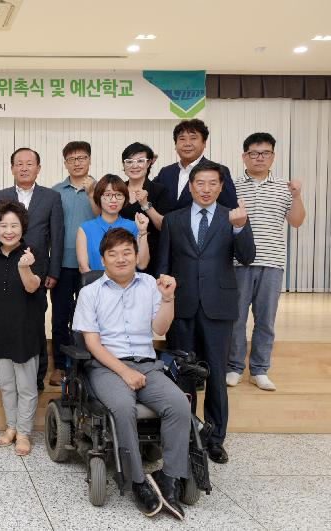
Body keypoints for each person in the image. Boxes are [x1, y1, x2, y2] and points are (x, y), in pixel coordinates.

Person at [73, 228, 189, 520]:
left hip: (147, 364)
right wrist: (124, 371)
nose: (121, 258)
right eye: (113, 254)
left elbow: (160, 329)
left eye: (127, 252)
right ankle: (137, 481)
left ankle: (169, 478)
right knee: (123, 407)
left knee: (179, 404)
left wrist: (168, 300)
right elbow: (92, 344)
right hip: (107, 366)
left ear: (137, 256)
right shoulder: (90, 292)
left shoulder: (150, 285)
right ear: (103, 260)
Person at [158, 161, 256, 464]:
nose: (206, 189)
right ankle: (187, 435)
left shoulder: (233, 217)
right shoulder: (173, 220)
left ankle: (215, 439)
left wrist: (240, 227)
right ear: (190, 186)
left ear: (221, 187)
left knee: (215, 374)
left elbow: (247, 257)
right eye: (200, 183)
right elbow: (163, 263)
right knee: (183, 374)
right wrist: (163, 297)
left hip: (218, 306)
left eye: (213, 183)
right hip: (183, 306)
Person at [0, 148, 64, 390]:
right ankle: (0, 375)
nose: (24, 168)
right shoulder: (0, 195)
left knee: (35, 322)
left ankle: (36, 377)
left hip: (37, 268)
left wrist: (53, 271)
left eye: (29, 163)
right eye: (19, 163)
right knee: (1, 318)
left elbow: (57, 236)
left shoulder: (51, 197)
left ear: (38, 168)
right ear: (12, 168)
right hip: (5, 264)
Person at [228, 133, 305, 391]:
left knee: (265, 321)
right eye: (254, 153)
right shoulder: (232, 186)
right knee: (236, 319)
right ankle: (234, 367)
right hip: (238, 263)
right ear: (244, 156)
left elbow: (296, 221)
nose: (259, 158)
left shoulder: (285, 187)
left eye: (265, 153)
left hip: (272, 262)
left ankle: (260, 370)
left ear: (273, 156)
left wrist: (297, 196)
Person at [0, 200, 46, 456]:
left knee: (26, 386)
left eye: (14, 225)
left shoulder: (33, 253)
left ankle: (24, 433)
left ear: (22, 227)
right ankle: (11, 427)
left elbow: (32, 286)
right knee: (6, 384)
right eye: (3, 225)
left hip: (25, 329)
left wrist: (24, 266)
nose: (8, 231)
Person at [49, 141, 98, 387]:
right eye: (72, 159)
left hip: (93, 266)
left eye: (82, 158)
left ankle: (90, 366)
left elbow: (105, 218)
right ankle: (60, 366)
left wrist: (92, 194)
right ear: (65, 163)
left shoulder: (102, 189)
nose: (77, 163)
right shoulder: (55, 192)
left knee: (91, 318)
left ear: (89, 160)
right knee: (60, 317)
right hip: (62, 263)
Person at [153, 119, 238, 209]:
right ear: (175, 144)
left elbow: (230, 209)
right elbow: (150, 196)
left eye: (193, 138)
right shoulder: (166, 172)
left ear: (204, 143)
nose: (187, 144)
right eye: (182, 139)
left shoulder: (218, 171)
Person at [119, 142, 174, 275]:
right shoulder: (118, 190)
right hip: (121, 256)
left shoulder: (159, 190)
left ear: (149, 163)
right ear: (124, 165)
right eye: (129, 161)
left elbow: (164, 226)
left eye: (140, 161)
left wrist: (145, 204)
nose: (135, 166)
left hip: (152, 257)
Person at [76, 174, 150, 273]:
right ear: (98, 197)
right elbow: (83, 268)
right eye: (107, 195)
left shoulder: (135, 226)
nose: (114, 200)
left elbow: (142, 265)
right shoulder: (85, 228)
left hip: (129, 282)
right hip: (97, 282)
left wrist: (143, 232)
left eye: (119, 195)